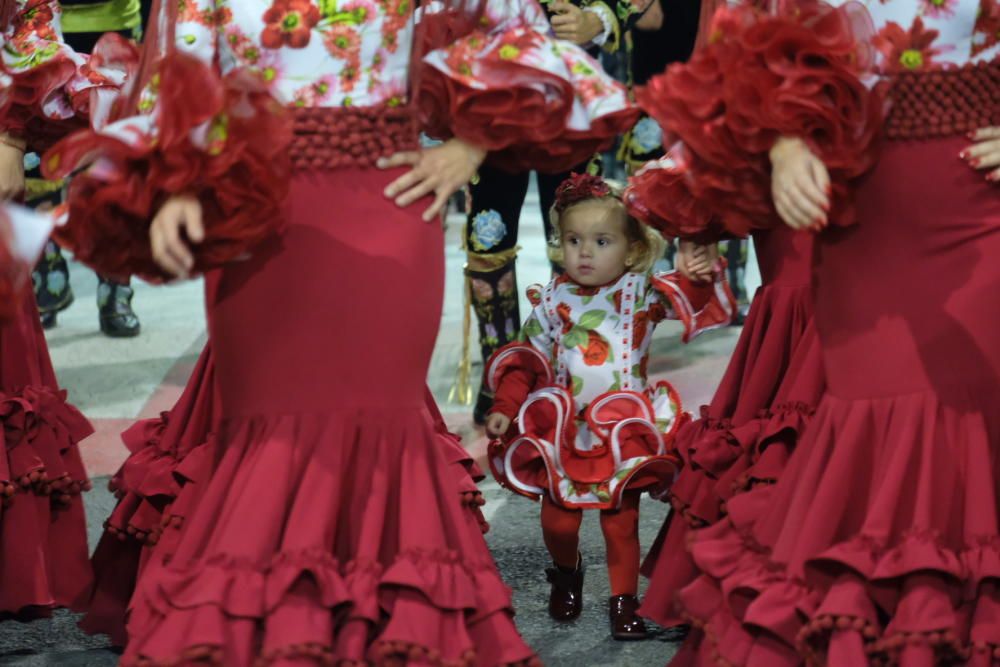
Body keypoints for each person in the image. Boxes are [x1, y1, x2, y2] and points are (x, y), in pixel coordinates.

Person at [42, 0, 641, 659]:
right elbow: (181, 74)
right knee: (263, 433)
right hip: (255, 221)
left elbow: (516, 28)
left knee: (382, 431)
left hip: (388, 208)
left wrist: (470, 150)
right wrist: (181, 186)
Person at [625, 0, 1000, 662]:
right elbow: (741, 30)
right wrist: (783, 138)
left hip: (982, 205)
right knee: (874, 430)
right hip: (852, 205)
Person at [484, 173, 735, 640]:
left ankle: (624, 602)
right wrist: (505, 404)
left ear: (631, 249)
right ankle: (566, 569)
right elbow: (526, 363)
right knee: (559, 520)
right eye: (573, 240)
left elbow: (686, 298)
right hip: (564, 430)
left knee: (622, 522)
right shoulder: (550, 301)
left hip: (625, 428)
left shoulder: (639, 292)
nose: (585, 252)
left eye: (602, 241)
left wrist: (698, 279)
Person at [463, 0, 652, 426]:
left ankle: (576, 365)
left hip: (572, 91)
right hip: (490, 92)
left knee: (581, 223)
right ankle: (502, 374)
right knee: (488, 241)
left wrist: (597, 19)